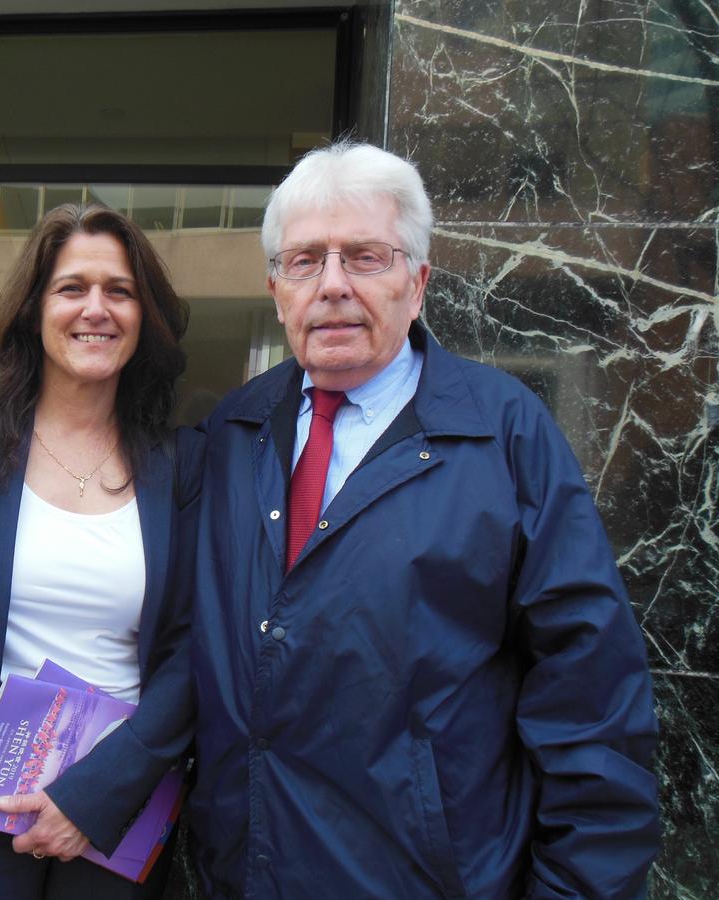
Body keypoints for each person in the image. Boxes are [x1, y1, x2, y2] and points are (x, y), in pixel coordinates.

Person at [189, 143, 659, 899]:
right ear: (276, 290)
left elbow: (591, 696)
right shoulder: (232, 432)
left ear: (418, 283)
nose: (333, 285)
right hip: (245, 873)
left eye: (365, 257)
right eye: (305, 261)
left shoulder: (504, 433)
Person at [0, 203, 202, 899]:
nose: (96, 309)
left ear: (144, 315)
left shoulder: (185, 462)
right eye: (72, 288)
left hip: (117, 810)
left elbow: (193, 645)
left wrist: (101, 791)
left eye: (119, 291)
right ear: (35, 308)